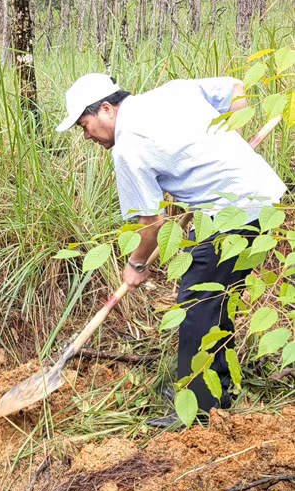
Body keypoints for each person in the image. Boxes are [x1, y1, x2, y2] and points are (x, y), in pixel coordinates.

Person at [56, 73, 286, 426]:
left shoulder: (128, 148)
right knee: (215, 301)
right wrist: (232, 144)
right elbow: (237, 88)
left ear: (106, 109)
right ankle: (218, 391)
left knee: (196, 308)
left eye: (85, 125)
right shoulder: (172, 92)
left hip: (230, 217)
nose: (86, 135)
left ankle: (199, 413)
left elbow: (151, 226)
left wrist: (135, 264)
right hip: (262, 203)